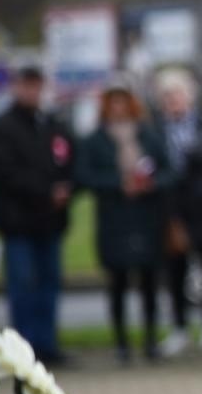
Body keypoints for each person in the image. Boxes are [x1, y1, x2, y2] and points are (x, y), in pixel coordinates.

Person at [75, 85, 175, 363]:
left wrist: (150, 184)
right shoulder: (95, 140)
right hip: (114, 217)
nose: (118, 108)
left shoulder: (149, 136)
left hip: (146, 216)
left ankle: (150, 339)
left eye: (123, 102)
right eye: (113, 103)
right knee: (118, 281)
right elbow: (84, 176)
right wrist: (119, 183)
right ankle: (121, 342)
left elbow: (169, 170)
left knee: (149, 280)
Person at [0, 66, 76, 364]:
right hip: (18, 223)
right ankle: (24, 351)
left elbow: (68, 160)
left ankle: (47, 345)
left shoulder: (52, 125)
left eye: (37, 86)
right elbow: (4, 174)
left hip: (50, 221)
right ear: (16, 87)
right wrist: (45, 191)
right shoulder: (0, 128)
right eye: (27, 86)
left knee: (50, 284)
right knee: (23, 286)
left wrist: (65, 188)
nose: (32, 92)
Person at [154, 68, 202, 357]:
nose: (173, 101)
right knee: (175, 270)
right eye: (167, 97)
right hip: (172, 208)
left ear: (190, 97)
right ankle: (179, 327)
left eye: (178, 95)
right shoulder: (156, 132)